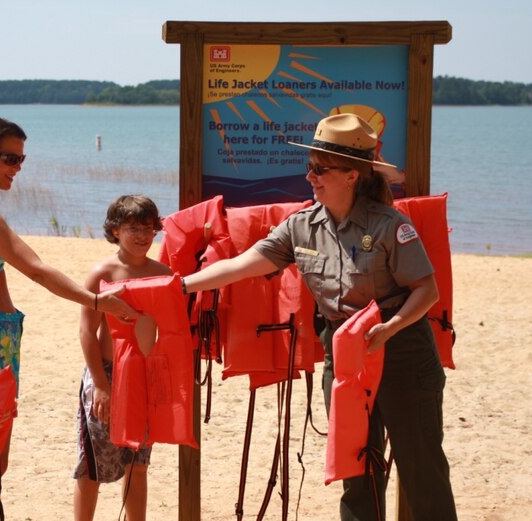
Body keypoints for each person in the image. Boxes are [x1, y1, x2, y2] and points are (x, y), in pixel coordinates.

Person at [181, 113, 457, 521]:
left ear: (352, 175)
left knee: (421, 469)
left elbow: (426, 290)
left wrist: (391, 328)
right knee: (356, 467)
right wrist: (183, 286)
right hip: (344, 357)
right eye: (309, 167)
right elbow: (242, 265)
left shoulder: (390, 226)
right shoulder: (301, 227)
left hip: (402, 351)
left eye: (320, 169)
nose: (310, 177)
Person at [0, 117, 139, 472]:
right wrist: (98, 302)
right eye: (11, 159)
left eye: (21, 160)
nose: (17, 168)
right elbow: (38, 271)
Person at [73, 195, 169, 521]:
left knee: (137, 462)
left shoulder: (162, 273)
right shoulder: (103, 273)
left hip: (144, 376)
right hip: (107, 374)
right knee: (94, 465)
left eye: (148, 228)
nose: (142, 235)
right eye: (132, 228)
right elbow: (87, 332)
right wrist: (100, 384)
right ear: (115, 230)